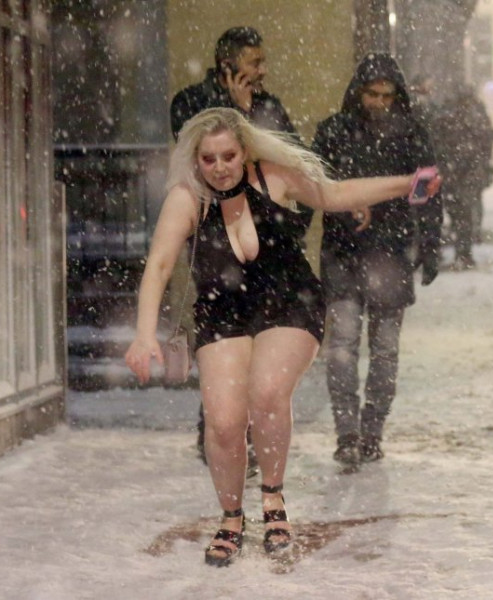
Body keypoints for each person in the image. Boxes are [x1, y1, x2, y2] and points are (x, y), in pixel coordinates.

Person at [124, 107, 439, 567]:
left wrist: (406, 183)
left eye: (228, 156)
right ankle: (231, 517)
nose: (220, 167)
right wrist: (143, 334)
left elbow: (334, 194)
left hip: (289, 299)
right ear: (196, 160)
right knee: (224, 422)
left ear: (244, 151)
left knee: (267, 392)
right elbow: (159, 265)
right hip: (223, 310)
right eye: (209, 159)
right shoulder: (187, 198)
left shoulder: (272, 176)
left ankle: (273, 499)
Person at [169, 26, 312, 465]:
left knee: (261, 336)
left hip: (264, 241)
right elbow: (196, 160)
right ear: (228, 64)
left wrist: (291, 224)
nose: (262, 70)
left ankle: (246, 431)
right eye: (255, 61)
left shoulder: (269, 107)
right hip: (215, 241)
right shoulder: (190, 103)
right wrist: (234, 111)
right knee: (222, 334)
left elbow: (292, 162)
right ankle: (218, 428)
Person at [312, 53, 443, 466]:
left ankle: (371, 432)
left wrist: (431, 243)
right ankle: (347, 432)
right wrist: (344, 210)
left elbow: (428, 192)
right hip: (345, 250)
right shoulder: (333, 132)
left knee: (384, 350)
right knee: (343, 345)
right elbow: (315, 185)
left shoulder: (411, 134)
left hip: (391, 251)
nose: (380, 103)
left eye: (387, 96)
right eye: (373, 94)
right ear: (358, 93)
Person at [431, 85, 493, 269]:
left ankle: (461, 252)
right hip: (463, 172)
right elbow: (488, 139)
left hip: (455, 172)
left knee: (457, 212)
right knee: (464, 213)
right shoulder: (474, 116)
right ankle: (464, 253)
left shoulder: (448, 115)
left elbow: (436, 142)